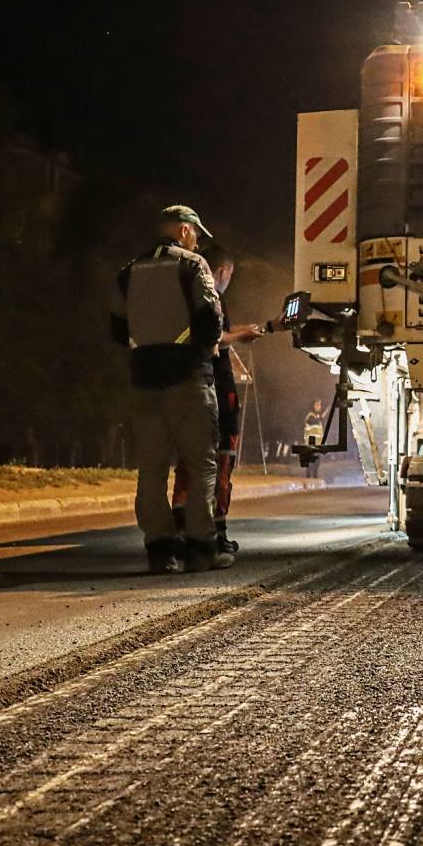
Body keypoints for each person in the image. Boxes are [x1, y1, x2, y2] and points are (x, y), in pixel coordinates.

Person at [110, 205, 234, 575]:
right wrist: (201, 349)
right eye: (196, 235)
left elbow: (117, 329)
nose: (197, 242)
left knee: (151, 469)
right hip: (187, 376)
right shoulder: (193, 266)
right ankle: (201, 549)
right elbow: (211, 317)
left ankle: (160, 551)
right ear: (184, 231)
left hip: (144, 380)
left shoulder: (129, 270)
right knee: (201, 464)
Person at [172, 243, 262, 554]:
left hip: (187, 385)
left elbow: (217, 330)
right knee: (222, 459)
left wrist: (250, 329)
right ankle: (215, 534)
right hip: (219, 390)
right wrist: (239, 338)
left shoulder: (187, 294)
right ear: (223, 271)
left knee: (188, 457)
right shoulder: (213, 295)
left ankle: (181, 529)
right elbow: (215, 338)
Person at [302, 398, 326, 479]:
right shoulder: (310, 415)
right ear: (313, 406)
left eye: (320, 405)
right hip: (311, 442)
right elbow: (312, 422)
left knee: (317, 462)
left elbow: (319, 433)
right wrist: (321, 417)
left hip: (317, 444)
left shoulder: (317, 417)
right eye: (317, 405)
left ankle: (315, 477)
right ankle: (309, 478)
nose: (319, 407)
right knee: (311, 462)